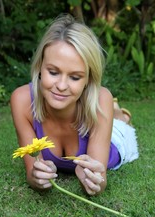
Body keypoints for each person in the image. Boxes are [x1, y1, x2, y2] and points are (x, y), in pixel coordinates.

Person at [10, 14, 138, 196]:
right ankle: (115, 112)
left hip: (116, 139)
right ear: (39, 67)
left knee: (121, 124)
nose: (61, 86)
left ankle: (120, 115)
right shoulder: (21, 100)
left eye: (75, 77)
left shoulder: (100, 99)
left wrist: (95, 182)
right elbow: (32, 174)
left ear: (88, 79)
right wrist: (36, 177)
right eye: (53, 72)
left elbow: (100, 182)